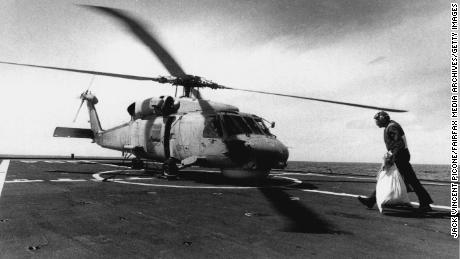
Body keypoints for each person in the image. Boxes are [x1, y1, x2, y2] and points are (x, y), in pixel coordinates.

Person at [358, 111, 433, 212]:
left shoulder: (391, 127)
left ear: (382, 119)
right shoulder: (390, 126)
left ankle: (425, 203)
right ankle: (425, 203)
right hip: (399, 156)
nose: (376, 123)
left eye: (377, 120)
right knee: (406, 179)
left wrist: (392, 156)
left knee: (397, 178)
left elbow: (399, 143)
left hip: (399, 157)